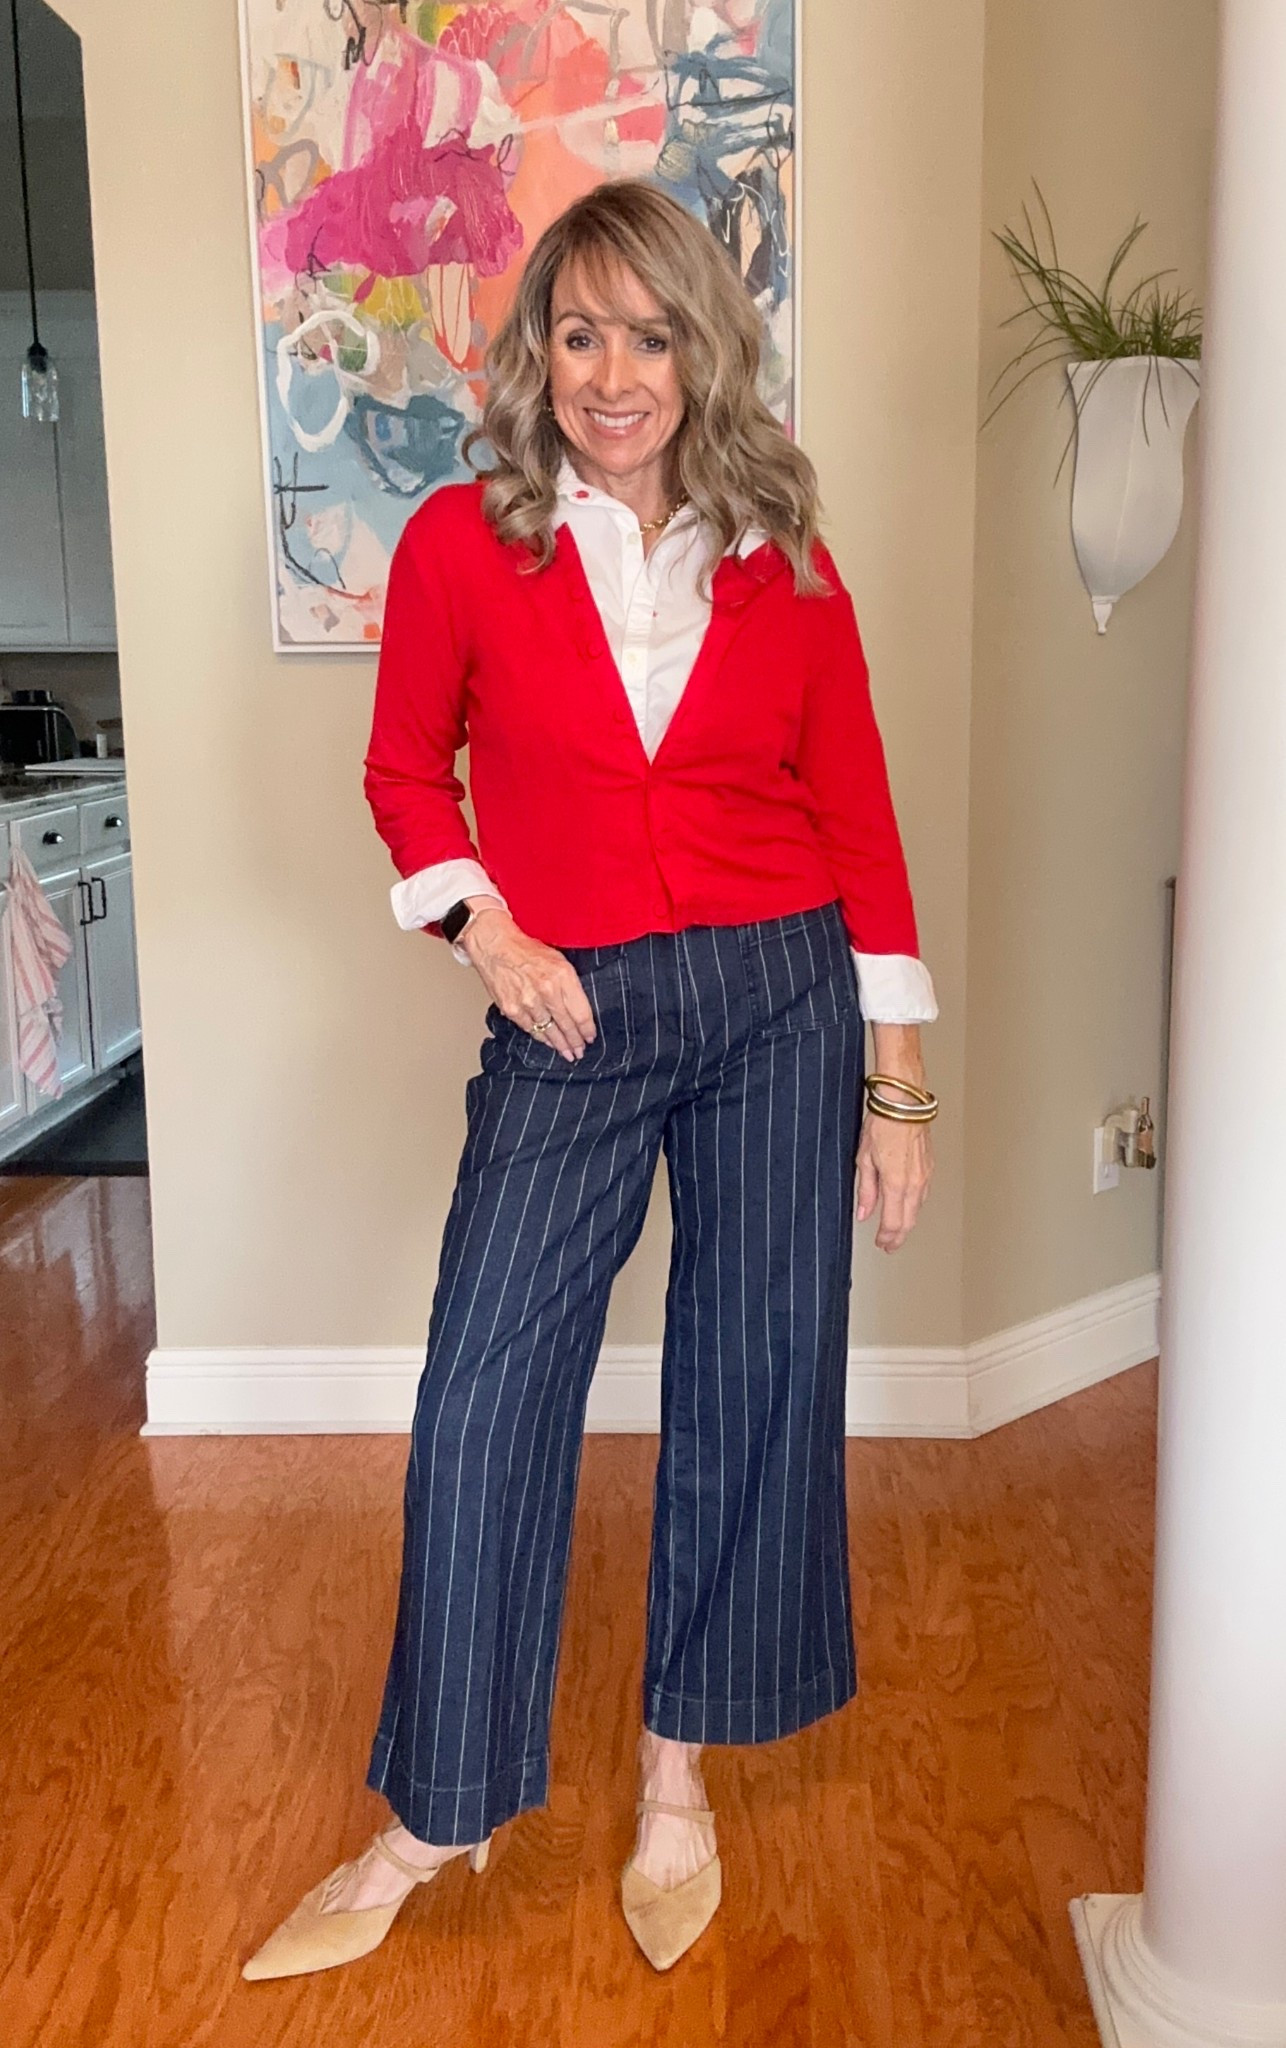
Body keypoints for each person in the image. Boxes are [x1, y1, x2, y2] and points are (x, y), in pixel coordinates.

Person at [242, 176, 938, 1983]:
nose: (610, 376)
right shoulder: (466, 544)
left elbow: (852, 805)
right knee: (484, 1386)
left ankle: (676, 1771)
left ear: (701, 348)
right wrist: (490, 935)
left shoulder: (781, 546)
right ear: (533, 348)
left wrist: (899, 1080)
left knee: (753, 1373)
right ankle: (437, 1812)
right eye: (577, 334)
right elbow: (410, 779)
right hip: (560, 1007)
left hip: (782, 999)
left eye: (647, 335)